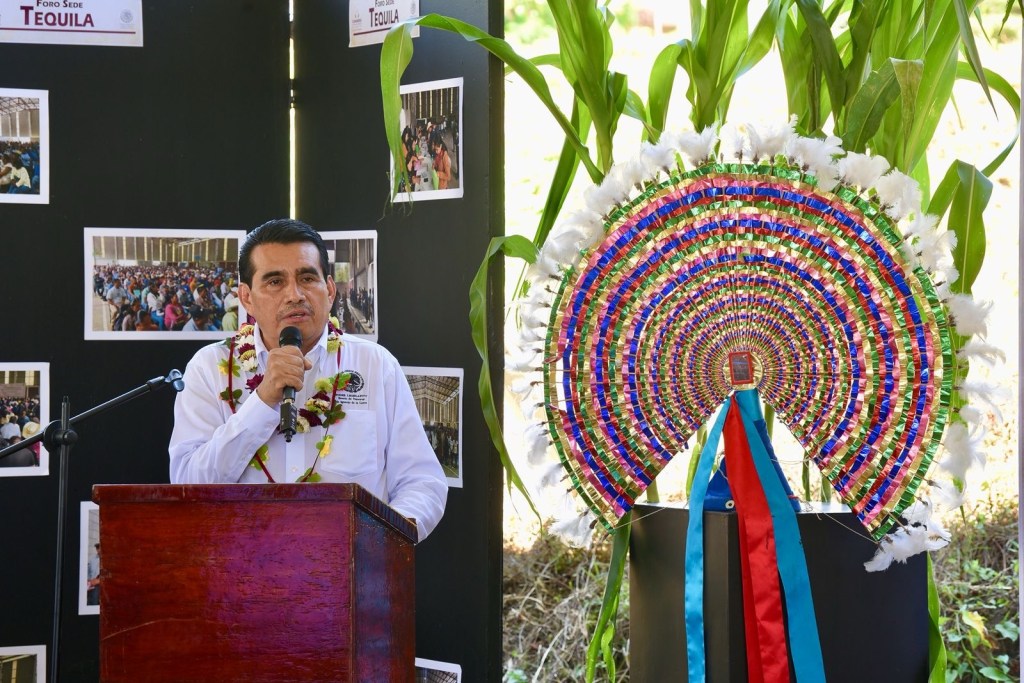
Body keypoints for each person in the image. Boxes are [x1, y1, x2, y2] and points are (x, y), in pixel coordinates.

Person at [168, 219, 447, 541]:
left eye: (307, 278)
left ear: (329, 290)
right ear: (246, 297)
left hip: (351, 562)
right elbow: (188, 484)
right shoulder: (209, 368)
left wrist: (378, 545)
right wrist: (262, 401)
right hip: (240, 561)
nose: (295, 294)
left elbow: (422, 482)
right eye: (275, 281)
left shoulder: (375, 365)